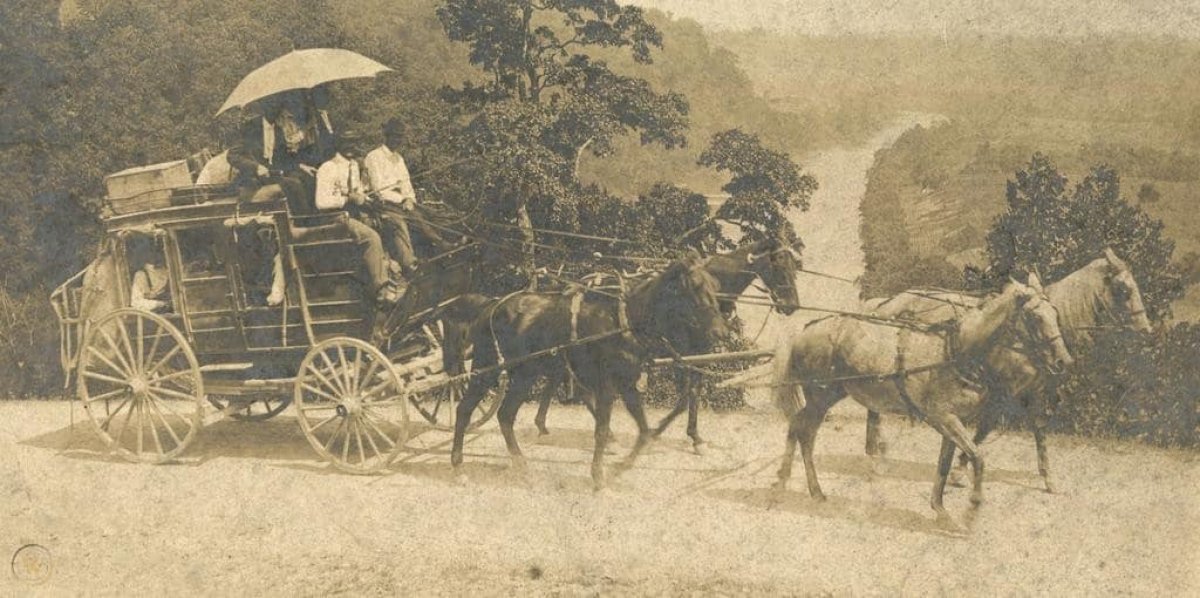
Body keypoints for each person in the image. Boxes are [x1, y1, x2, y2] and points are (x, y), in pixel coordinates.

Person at [304, 130, 398, 306]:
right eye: (347, 142)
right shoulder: (328, 168)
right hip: (332, 218)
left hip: (351, 214)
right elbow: (321, 202)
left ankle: (389, 273)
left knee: (387, 222)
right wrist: (347, 199)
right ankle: (380, 289)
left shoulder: (354, 165)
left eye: (354, 142)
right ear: (338, 144)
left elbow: (357, 191)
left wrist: (368, 198)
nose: (351, 146)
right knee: (371, 238)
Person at [362, 119, 449, 274]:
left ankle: (442, 247)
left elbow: (406, 184)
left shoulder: (399, 159)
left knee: (432, 214)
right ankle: (410, 264)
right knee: (398, 222)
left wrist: (409, 198)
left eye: (400, 137)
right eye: (395, 136)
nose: (398, 140)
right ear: (387, 136)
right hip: (380, 204)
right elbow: (378, 189)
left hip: (401, 202)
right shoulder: (373, 157)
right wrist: (402, 200)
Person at [130, 244, 171, 313]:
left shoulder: (166, 270)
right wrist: (158, 304)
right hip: (155, 312)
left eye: (158, 251)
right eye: (152, 252)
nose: (157, 255)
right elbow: (136, 302)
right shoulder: (141, 275)